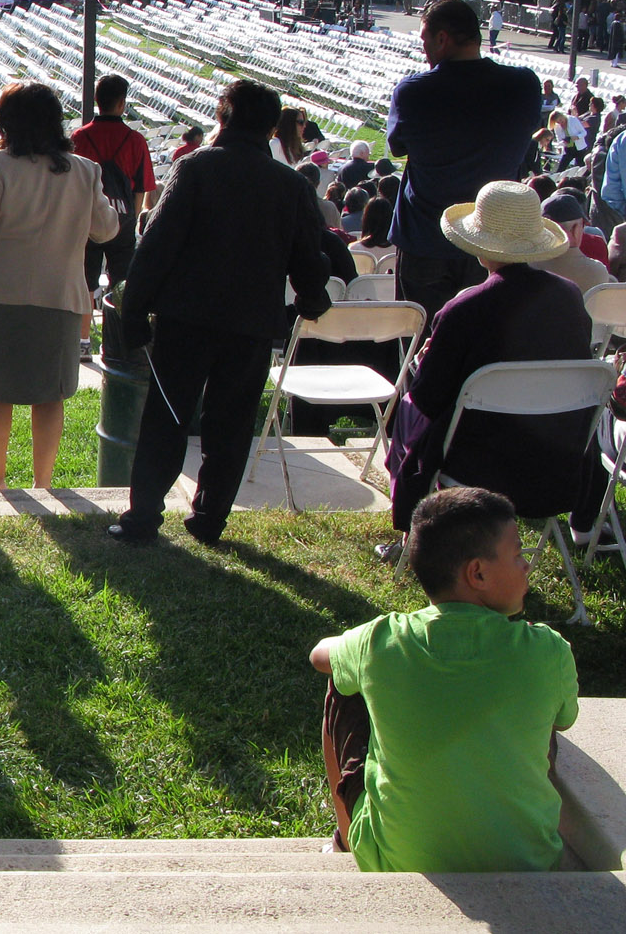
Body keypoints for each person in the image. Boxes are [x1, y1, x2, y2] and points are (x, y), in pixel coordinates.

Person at [310, 487, 577, 872]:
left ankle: (347, 839)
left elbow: (318, 655)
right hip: (528, 861)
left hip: (400, 861)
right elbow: (563, 721)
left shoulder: (381, 641)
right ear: (477, 573)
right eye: (518, 554)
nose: (526, 566)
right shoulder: (547, 650)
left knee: (341, 678)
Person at [112, 80, 332, 544]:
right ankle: (209, 520)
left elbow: (156, 246)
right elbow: (308, 258)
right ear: (271, 128)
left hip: (186, 318)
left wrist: (134, 311)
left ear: (222, 116)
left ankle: (142, 517)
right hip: (251, 323)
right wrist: (313, 299)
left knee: (167, 418)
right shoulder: (291, 184)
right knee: (231, 425)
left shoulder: (195, 167)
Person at [381, 180, 599, 556]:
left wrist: (423, 362)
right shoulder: (569, 297)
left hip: (477, 466)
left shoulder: (464, 310)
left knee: (409, 413)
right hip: (556, 466)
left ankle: (410, 534)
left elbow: (427, 398)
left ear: (478, 243)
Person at [0, 83, 118, 489]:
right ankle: (43, 484)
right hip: (61, 297)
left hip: (0, 297)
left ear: (6, 123)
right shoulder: (86, 170)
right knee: (50, 396)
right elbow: (106, 230)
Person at [387, 0, 541, 320]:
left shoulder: (414, 92)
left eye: (425, 41)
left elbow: (397, 147)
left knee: (421, 342)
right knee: (483, 339)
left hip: (426, 239)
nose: (424, 51)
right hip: (494, 242)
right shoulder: (523, 86)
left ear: (442, 38)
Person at [71, 74, 155, 355]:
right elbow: (141, 187)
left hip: (87, 220)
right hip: (121, 220)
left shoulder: (80, 137)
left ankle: (83, 342)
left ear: (97, 100)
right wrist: (130, 217)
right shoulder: (135, 140)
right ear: (122, 103)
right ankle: (115, 343)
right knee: (121, 284)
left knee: (85, 282)